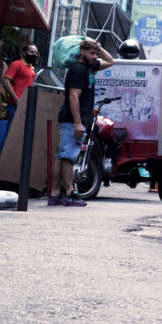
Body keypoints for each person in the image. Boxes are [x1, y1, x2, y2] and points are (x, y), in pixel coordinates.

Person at [49, 38, 114, 206]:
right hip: (72, 119)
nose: (95, 56)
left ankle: (55, 193)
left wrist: (97, 46)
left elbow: (110, 61)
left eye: (96, 54)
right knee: (69, 156)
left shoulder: (90, 67)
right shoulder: (78, 69)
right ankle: (70, 192)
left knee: (63, 154)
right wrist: (78, 123)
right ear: (82, 52)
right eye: (91, 53)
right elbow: (73, 96)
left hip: (76, 119)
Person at [1, 44, 39, 128]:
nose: (34, 54)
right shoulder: (17, 64)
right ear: (24, 53)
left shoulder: (30, 68)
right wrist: (16, 99)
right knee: (11, 133)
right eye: (32, 52)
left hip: (25, 105)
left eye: (36, 53)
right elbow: (5, 80)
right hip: (15, 105)